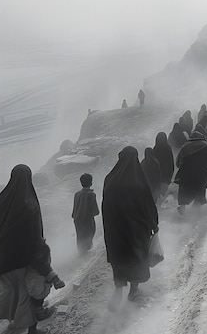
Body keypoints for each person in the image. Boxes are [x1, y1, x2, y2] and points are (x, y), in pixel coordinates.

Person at [0, 164, 65, 334]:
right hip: (22, 258)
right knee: (26, 293)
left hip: (2, 257)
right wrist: (46, 266)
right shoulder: (29, 204)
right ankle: (33, 329)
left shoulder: (1, 201)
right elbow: (34, 237)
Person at [102, 147, 159, 311]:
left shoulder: (110, 179)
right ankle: (133, 291)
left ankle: (119, 288)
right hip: (136, 231)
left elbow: (105, 207)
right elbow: (148, 205)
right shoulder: (138, 180)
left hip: (114, 231)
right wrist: (154, 225)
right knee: (136, 258)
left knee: (119, 259)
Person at [174, 131, 207, 215]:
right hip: (201, 175)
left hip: (186, 176)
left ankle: (182, 208)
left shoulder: (185, 147)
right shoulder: (206, 146)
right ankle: (195, 212)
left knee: (184, 192)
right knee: (199, 192)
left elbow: (178, 163)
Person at [72, 173, 100, 254]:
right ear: (91, 182)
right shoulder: (91, 195)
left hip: (77, 221)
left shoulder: (76, 194)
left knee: (80, 239)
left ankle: (80, 255)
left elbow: (74, 211)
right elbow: (96, 212)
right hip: (87, 221)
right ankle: (86, 257)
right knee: (88, 240)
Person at [153, 132, 174, 199]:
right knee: (163, 192)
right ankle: (160, 203)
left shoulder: (155, 149)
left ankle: (158, 204)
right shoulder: (168, 148)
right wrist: (171, 174)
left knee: (157, 191)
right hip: (166, 174)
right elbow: (171, 162)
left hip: (157, 173)